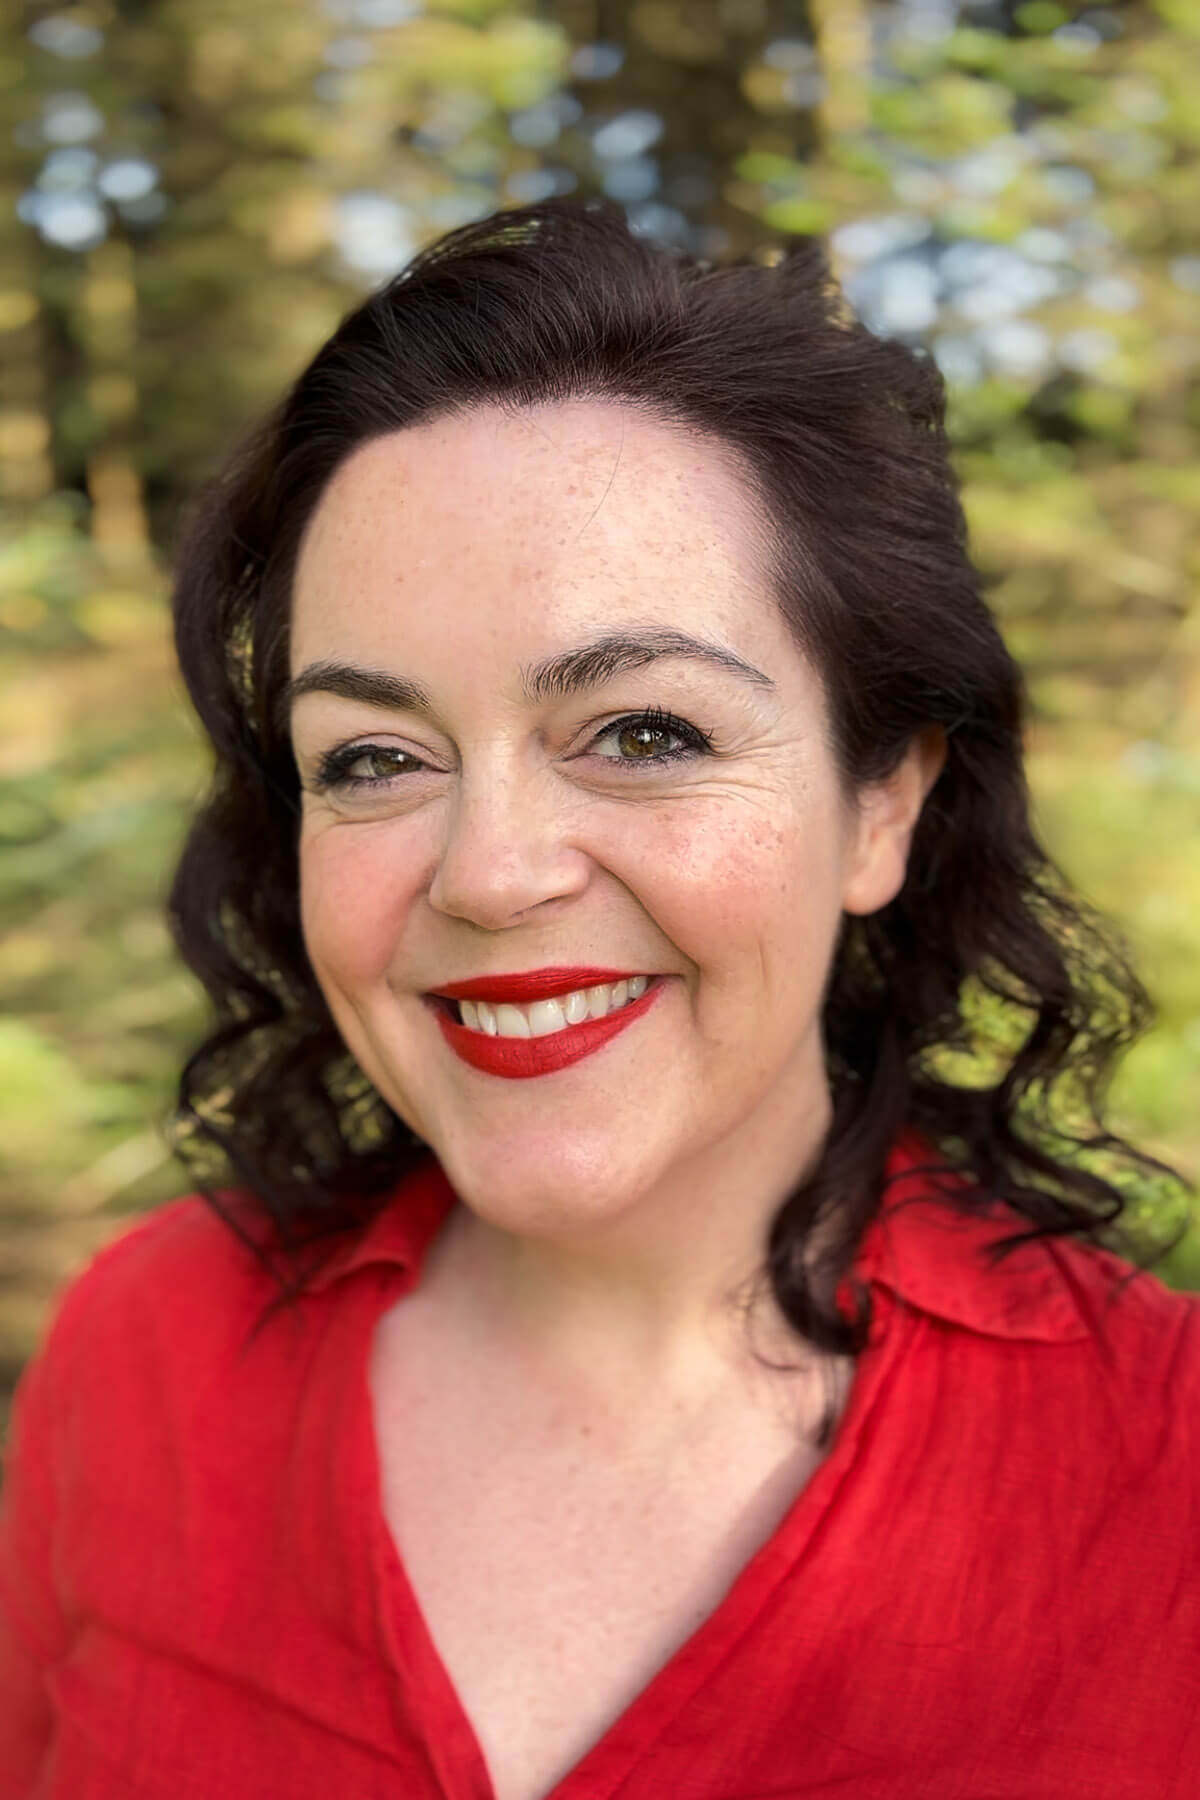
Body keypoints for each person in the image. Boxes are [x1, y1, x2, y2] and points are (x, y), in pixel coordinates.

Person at [1, 196, 1196, 1800]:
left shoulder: (1167, 1467)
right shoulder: (147, 1348)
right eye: (372, 758)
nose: (488, 873)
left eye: (643, 731)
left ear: (884, 803)